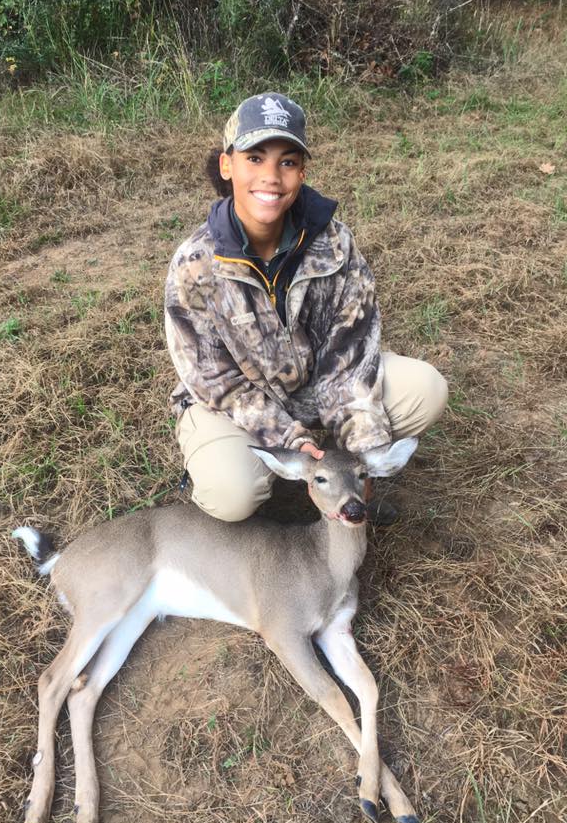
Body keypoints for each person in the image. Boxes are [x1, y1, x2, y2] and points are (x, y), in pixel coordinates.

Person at [164, 92, 448, 523]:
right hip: (234, 404)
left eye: (287, 161)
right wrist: (289, 439)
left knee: (426, 390)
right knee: (233, 494)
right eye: (255, 158)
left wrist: (362, 453)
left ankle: (341, 482)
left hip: (313, 387)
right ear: (228, 166)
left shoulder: (333, 245)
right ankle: (270, 478)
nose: (272, 177)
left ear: (302, 171)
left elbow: (350, 358)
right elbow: (215, 382)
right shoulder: (195, 265)